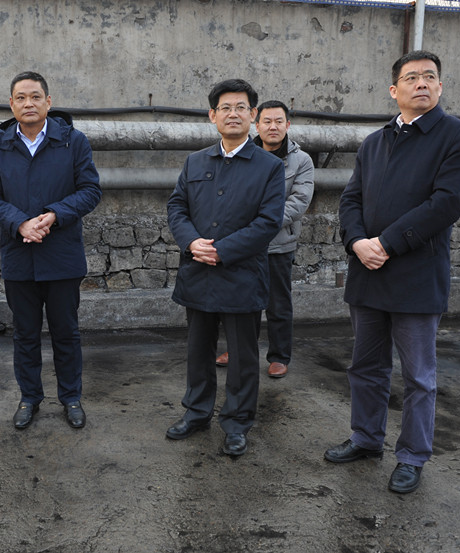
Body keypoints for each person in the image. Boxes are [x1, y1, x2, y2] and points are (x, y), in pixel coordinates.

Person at [324, 51, 460, 493]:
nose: (421, 83)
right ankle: (366, 438)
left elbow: (446, 203)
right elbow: (350, 199)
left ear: (440, 86)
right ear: (395, 90)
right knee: (365, 366)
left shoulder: (457, 136)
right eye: (411, 78)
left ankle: (412, 455)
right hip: (367, 271)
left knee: (418, 377)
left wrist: (387, 243)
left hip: (416, 275)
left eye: (430, 77)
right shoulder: (375, 142)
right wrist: (357, 242)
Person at [166, 79, 285, 456]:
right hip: (198, 272)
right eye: (225, 108)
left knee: (242, 356)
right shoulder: (196, 161)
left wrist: (222, 251)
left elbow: (268, 222)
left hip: (241, 276)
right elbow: (177, 207)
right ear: (212, 115)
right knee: (198, 350)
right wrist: (191, 242)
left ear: (253, 115)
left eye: (241, 107)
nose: (233, 114)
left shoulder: (269, 166)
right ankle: (196, 412)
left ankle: (237, 422)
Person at [0, 71, 101, 431]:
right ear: (11, 104)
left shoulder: (72, 141)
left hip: (61, 254)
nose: (28, 103)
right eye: (21, 98)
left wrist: (55, 215)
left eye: (35, 97)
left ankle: (71, 397)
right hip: (19, 255)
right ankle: (29, 397)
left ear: (48, 102)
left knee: (66, 333)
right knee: (25, 334)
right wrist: (20, 223)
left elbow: (90, 190)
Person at [214, 100, 314, 378]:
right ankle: (238, 349)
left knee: (278, 303)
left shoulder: (301, 161)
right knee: (240, 300)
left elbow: (298, 202)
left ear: (287, 125)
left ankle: (279, 356)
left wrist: (260, 225)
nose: (273, 127)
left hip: (278, 243)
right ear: (256, 124)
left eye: (279, 121)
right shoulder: (243, 155)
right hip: (244, 243)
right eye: (267, 121)